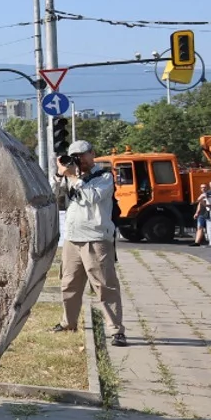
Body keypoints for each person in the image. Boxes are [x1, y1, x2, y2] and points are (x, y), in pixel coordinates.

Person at [55, 139, 128, 347]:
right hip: (72, 238)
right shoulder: (70, 177)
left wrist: (74, 178)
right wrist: (60, 174)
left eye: (82, 155)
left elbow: (92, 197)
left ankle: (116, 330)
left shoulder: (103, 176)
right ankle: (68, 323)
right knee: (68, 283)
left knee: (105, 286)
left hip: (96, 239)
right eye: (74, 156)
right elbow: (54, 194)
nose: (79, 160)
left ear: (92, 154)